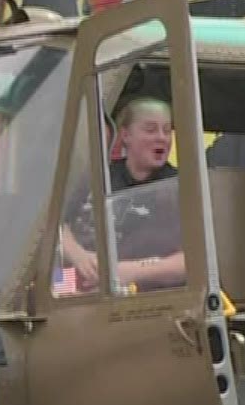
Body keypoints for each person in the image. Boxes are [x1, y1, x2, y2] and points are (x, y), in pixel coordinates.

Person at [59, 95, 186, 294]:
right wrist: (79, 256)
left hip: (152, 302)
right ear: (125, 135)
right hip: (87, 294)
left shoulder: (180, 186)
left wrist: (129, 272)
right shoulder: (97, 178)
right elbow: (55, 226)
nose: (162, 137)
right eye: (150, 130)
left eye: (167, 130)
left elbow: (194, 260)